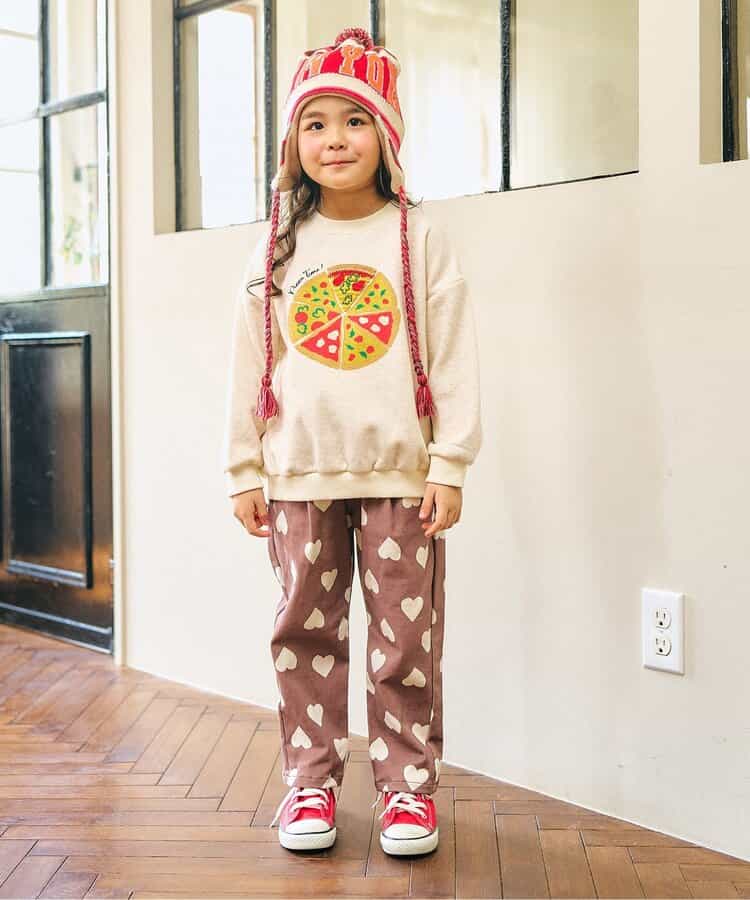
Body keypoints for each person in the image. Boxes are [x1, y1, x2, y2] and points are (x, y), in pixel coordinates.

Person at [222, 26, 482, 857]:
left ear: (386, 135)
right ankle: (310, 784)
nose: (335, 139)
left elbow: (452, 354)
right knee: (304, 632)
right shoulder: (277, 244)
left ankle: (407, 792)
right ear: (293, 144)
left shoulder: (419, 237)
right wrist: (243, 468)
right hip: (297, 476)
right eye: (316, 123)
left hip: (403, 474)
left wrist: (450, 462)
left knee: (406, 642)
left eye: (355, 120)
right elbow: (249, 360)